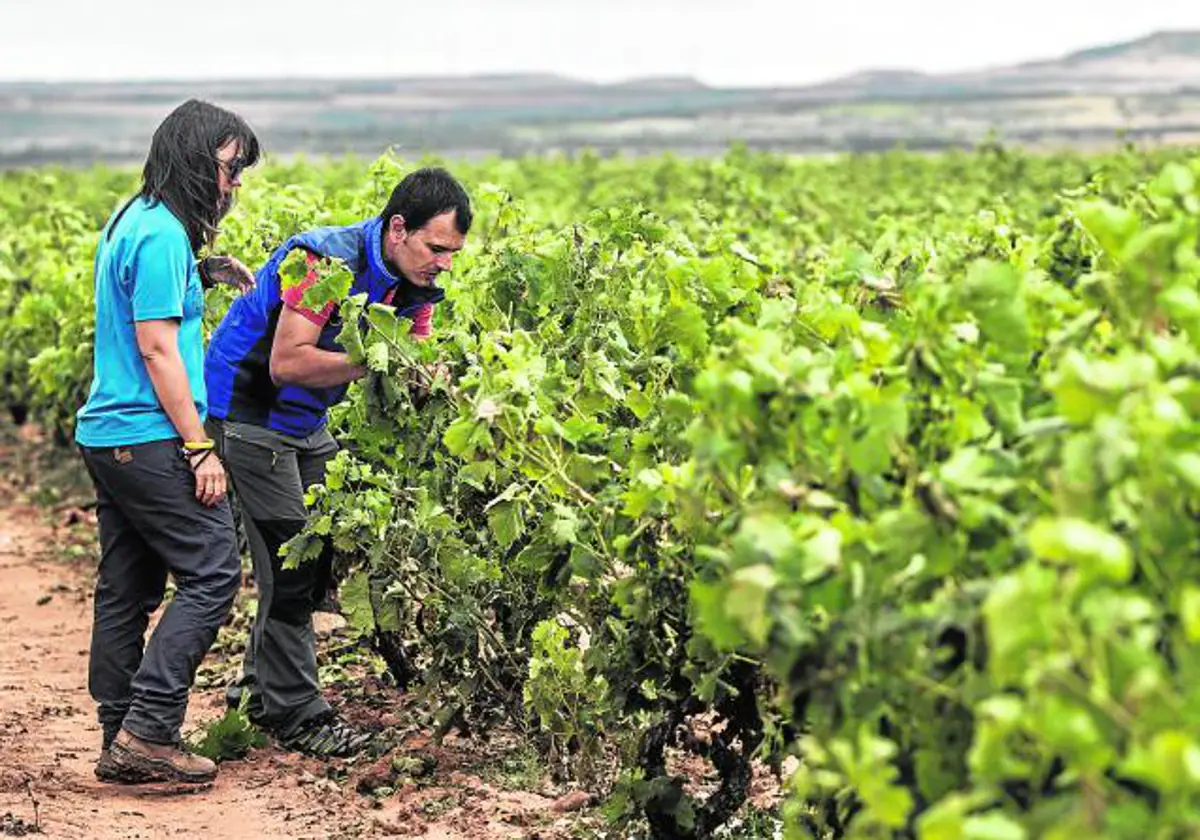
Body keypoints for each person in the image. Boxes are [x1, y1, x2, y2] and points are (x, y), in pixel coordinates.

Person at [204, 167, 471, 758]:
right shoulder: (327, 264)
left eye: (453, 253)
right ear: (398, 229)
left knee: (313, 558)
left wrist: (441, 378)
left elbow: (413, 355)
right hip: (247, 413)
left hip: (304, 423)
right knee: (290, 567)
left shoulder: (413, 284)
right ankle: (300, 715)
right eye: (436, 248)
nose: (444, 263)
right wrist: (377, 358)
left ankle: (255, 692)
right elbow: (289, 363)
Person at [74, 99, 260, 785]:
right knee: (213, 571)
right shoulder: (161, 238)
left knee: (127, 585)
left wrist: (202, 272)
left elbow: (139, 304)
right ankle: (150, 731)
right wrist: (198, 447)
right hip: (150, 435)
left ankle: (118, 733)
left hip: (109, 435)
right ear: (194, 161)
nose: (233, 185)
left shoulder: (137, 219)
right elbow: (157, 350)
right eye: (229, 169)